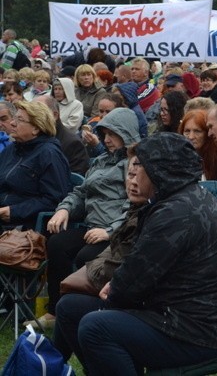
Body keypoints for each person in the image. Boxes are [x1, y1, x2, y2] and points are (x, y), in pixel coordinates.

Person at [74, 133, 217, 374]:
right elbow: (137, 271)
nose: (133, 175)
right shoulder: (183, 198)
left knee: (95, 326)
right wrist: (116, 288)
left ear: (159, 170)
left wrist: (113, 293)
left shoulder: (176, 213)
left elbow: (134, 282)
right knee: (71, 308)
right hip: (172, 312)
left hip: (195, 331)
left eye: (140, 166)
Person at [35, 108, 141, 330]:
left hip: (118, 232)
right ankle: (56, 309)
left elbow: (134, 204)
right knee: (57, 244)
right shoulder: (101, 160)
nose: (107, 139)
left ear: (127, 133)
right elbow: (81, 192)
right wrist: (64, 209)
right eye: (104, 134)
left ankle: (90, 310)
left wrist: (110, 231)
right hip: (91, 225)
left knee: (87, 256)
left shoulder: (133, 163)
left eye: (113, 134)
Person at [0, 100, 71, 228]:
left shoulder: (49, 154)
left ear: (36, 128)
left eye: (19, 119)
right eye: (14, 117)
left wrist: (13, 211)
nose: (12, 123)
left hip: (24, 225)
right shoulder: (12, 149)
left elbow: (54, 200)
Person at [178, 109, 217, 181]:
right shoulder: (177, 157)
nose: (191, 137)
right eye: (187, 131)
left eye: (197, 131)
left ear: (208, 133)